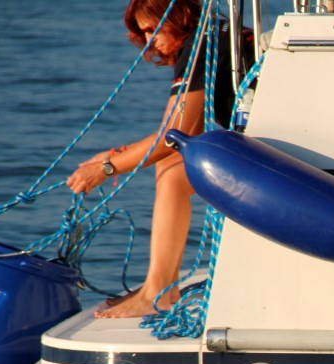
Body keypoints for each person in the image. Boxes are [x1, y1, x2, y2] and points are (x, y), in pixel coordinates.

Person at [66, 0, 252, 319]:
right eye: (144, 33)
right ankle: (160, 285)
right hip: (274, 143)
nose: (151, 39)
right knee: (174, 166)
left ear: (177, 16)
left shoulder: (200, 45)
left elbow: (173, 135)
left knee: (173, 171)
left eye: (153, 28)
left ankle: (159, 291)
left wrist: (108, 167)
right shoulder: (215, 34)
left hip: (279, 151)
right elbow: (184, 132)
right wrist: (116, 155)